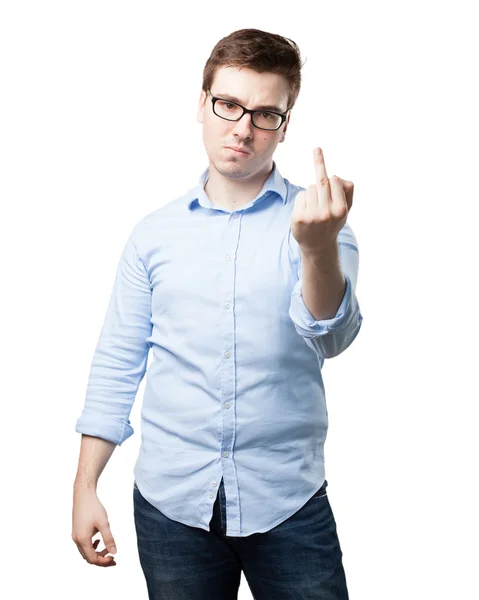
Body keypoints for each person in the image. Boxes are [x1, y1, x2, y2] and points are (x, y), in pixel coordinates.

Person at [72, 27, 363, 600]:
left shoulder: (322, 222)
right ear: (201, 104)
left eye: (265, 113)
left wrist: (316, 247)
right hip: (171, 507)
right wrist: (85, 485)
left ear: (285, 124)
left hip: (288, 502)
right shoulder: (153, 235)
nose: (243, 128)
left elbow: (330, 335)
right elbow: (117, 362)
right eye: (228, 104)